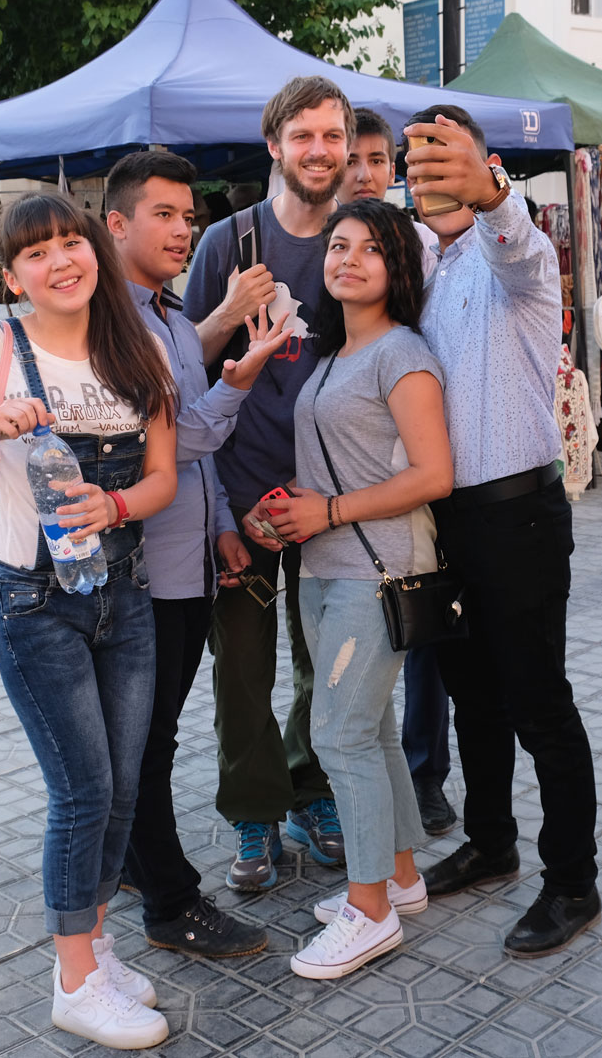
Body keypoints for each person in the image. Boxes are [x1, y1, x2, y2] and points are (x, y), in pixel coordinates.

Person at [0, 193, 179, 1050]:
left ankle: (93, 945)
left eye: (70, 242)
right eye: (36, 253)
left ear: (94, 248)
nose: (60, 261)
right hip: (33, 602)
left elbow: (161, 477)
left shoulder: (139, 346)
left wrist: (115, 500)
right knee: (81, 790)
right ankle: (74, 980)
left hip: (125, 594)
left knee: (124, 788)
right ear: (13, 277)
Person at [400, 104, 602, 957]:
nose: (431, 177)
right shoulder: (418, 270)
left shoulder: (520, 257)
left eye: (447, 162)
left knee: (537, 701)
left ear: (483, 168)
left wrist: (486, 190)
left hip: (518, 513)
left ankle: (572, 881)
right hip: (444, 518)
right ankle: (489, 840)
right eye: (420, 165)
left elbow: (509, 234)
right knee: (470, 697)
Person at [254, 198, 453, 978]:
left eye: (370, 249)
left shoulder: (401, 352)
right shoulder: (333, 354)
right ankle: (398, 877)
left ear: (397, 267)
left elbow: (432, 473)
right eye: (338, 246)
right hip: (323, 564)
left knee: (337, 735)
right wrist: (290, 511)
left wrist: (327, 510)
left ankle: (368, 911)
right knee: (364, 731)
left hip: (378, 568)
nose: (347, 259)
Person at [102, 151, 288, 960]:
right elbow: (175, 442)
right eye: (165, 215)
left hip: (186, 559)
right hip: (138, 570)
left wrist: (216, 523)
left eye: (189, 215)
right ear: (116, 223)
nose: (184, 230)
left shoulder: (173, 321)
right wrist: (241, 378)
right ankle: (171, 898)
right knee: (145, 740)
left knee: (151, 735)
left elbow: (190, 448)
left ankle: (135, 866)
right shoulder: (110, 326)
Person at [181, 75, 353, 891]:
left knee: (328, 661)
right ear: (275, 145)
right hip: (239, 500)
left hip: (329, 500)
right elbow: (186, 370)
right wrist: (221, 507)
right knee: (241, 667)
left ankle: (311, 789)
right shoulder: (227, 243)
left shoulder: (362, 238)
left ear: (347, 146)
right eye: (303, 134)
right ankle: (252, 810)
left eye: (332, 134)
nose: (318, 149)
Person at [338, 106, 457, 837]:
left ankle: (425, 775)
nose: (365, 170)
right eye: (354, 157)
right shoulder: (331, 249)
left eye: (378, 159)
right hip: (350, 484)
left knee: (422, 632)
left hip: (419, 461)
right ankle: (365, 792)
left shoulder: (423, 242)